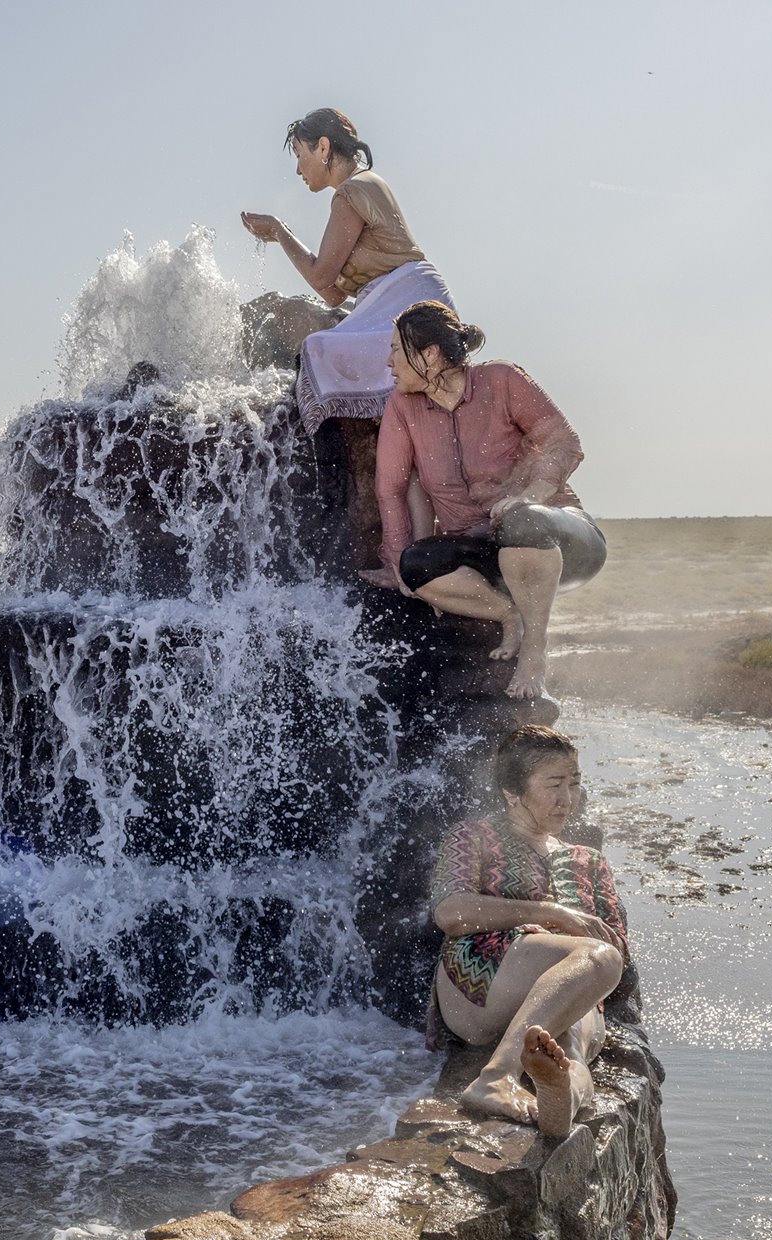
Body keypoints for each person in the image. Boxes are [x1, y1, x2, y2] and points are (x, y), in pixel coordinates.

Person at [369, 301, 606, 699]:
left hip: (559, 535)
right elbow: (390, 488)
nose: (389, 362)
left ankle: (534, 648)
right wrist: (395, 560)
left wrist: (529, 497)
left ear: (429, 353)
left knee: (521, 521)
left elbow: (564, 443)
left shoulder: (502, 379)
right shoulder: (402, 405)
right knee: (415, 565)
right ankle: (507, 613)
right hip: (483, 549)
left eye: (396, 349)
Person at [426, 725, 628, 1137]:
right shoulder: (474, 836)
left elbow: (617, 939)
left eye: (574, 784)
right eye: (554, 784)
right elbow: (451, 913)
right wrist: (550, 914)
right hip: (481, 984)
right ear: (512, 792)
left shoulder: (588, 860)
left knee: (572, 1044)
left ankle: (561, 1098)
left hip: (566, 988)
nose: (567, 799)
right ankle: (496, 1078)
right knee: (599, 959)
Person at [238, 108, 455, 433]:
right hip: (401, 301)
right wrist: (279, 235)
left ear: (323, 148)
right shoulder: (361, 186)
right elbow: (333, 294)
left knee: (315, 352)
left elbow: (321, 276)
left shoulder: (352, 190)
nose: (298, 169)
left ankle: (331, 475)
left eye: (300, 155)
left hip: (408, 304)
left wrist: (280, 232)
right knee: (322, 351)